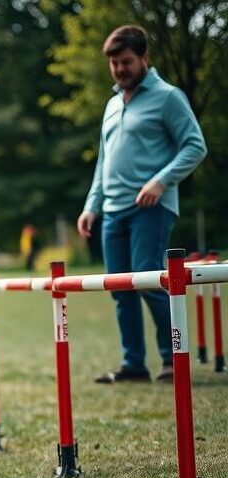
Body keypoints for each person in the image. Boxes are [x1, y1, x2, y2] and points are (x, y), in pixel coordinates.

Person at [77, 25, 206, 384]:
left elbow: (195, 146)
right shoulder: (112, 104)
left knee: (149, 279)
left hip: (151, 207)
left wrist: (160, 181)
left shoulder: (168, 97)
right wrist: (92, 206)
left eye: (126, 62)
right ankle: (133, 364)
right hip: (112, 212)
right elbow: (105, 161)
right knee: (120, 289)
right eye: (114, 63)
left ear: (144, 58)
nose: (119, 69)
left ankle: (172, 358)